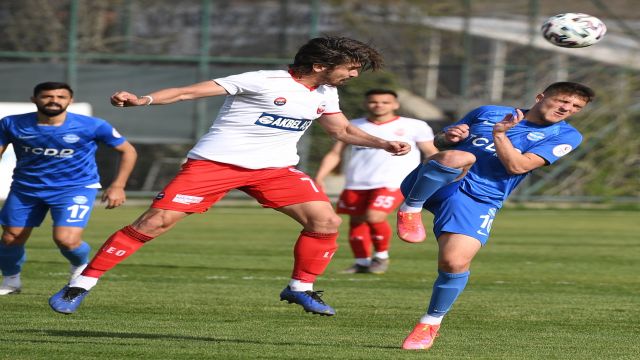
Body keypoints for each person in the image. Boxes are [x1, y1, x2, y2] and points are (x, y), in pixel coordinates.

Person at [48, 36, 411, 316]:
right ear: (318, 65)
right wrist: (142, 100)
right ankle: (81, 283)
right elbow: (188, 91)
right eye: (349, 67)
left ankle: (300, 287)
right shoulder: (262, 80)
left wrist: (383, 142)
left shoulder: (325, 92)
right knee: (155, 222)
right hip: (214, 165)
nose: (354, 74)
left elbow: (342, 131)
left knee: (325, 220)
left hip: (275, 170)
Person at [395, 82, 595, 350]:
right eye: (562, 101)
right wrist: (450, 135)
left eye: (574, 107)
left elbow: (517, 166)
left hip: (481, 199)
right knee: (457, 156)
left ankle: (430, 323)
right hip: (439, 181)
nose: (566, 109)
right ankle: (411, 209)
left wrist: (500, 134)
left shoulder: (566, 135)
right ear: (540, 97)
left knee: (454, 263)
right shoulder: (487, 111)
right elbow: (441, 142)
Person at [0, 82, 137, 295]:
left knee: (66, 239)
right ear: (34, 99)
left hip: (75, 188)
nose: (54, 100)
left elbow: (128, 151)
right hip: (26, 188)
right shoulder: (12, 123)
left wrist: (118, 186)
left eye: (61, 97)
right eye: (47, 96)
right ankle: (11, 281)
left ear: (70, 101)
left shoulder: (92, 125)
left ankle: (81, 267)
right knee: (10, 238)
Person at [315, 89, 437, 274]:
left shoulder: (415, 125)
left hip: (394, 182)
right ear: (366, 104)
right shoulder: (353, 125)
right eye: (373, 102)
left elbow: (431, 152)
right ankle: (361, 262)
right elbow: (335, 153)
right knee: (356, 222)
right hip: (357, 182)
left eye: (385, 102)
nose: (379, 105)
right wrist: (320, 176)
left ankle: (381, 257)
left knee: (374, 216)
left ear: (395, 104)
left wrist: (440, 176)